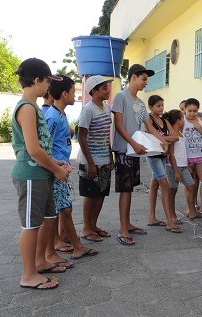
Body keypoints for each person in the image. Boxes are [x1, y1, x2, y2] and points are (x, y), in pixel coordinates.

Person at [11, 57, 70, 289]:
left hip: (41, 174)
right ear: (36, 80)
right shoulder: (26, 107)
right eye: (47, 81)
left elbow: (41, 146)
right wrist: (56, 169)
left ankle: (40, 261)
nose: (49, 86)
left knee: (47, 218)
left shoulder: (34, 106)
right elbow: (33, 150)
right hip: (30, 175)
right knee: (31, 224)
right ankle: (28, 275)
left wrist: (56, 162)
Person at [45, 75, 98, 261]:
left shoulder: (60, 113)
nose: (76, 95)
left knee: (61, 209)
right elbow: (44, 146)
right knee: (65, 209)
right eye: (74, 92)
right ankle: (77, 246)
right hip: (56, 171)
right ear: (65, 93)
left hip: (61, 168)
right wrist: (55, 167)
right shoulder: (52, 117)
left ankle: (59, 241)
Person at [111, 64, 155, 246]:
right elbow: (119, 126)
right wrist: (134, 144)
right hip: (124, 149)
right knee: (125, 189)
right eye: (143, 79)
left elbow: (149, 125)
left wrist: (163, 141)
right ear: (133, 77)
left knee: (130, 188)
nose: (145, 83)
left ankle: (127, 223)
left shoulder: (141, 102)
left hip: (135, 151)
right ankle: (122, 229)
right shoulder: (121, 97)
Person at [77, 75, 114, 243]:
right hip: (89, 162)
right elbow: (82, 137)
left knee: (101, 194)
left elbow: (106, 136)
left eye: (108, 87)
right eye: (104, 88)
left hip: (105, 160)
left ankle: (94, 225)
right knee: (90, 195)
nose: (108, 90)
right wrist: (91, 163)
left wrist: (110, 155)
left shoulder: (106, 109)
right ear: (94, 91)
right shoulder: (88, 109)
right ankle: (86, 228)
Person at [144, 95, 182, 233]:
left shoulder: (165, 121)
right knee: (164, 186)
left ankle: (151, 217)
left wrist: (161, 139)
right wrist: (166, 139)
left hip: (162, 156)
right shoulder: (149, 120)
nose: (161, 108)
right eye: (158, 106)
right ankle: (169, 221)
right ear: (151, 107)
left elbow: (175, 137)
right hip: (153, 155)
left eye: (162, 105)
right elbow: (151, 136)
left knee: (154, 185)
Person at [163, 109, 202, 220]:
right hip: (173, 167)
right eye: (182, 118)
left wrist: (185, 165)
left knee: (191, 187)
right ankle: (172, 216)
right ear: (178, 121)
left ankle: (192, 212)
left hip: (182, 167)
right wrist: (176, 171)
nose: (184, 120)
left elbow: (181, 152)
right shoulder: (173, 135)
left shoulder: (180, 133)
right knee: (173, 191)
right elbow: (171, 155)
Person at [182, 98, 202, 215]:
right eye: (189, 111)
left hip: (200, 155)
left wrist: (200, 128)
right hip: (187, 157)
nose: (192, 113)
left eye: (195, 111)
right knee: (189, 183)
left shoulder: (201, 120)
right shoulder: (181, 120)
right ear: (184, 109)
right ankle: (190, 208)